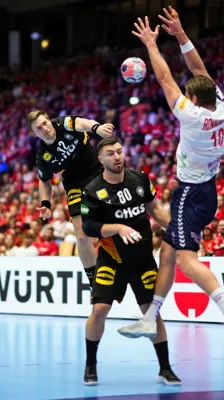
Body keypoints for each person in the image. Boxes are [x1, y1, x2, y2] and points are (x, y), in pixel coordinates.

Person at [117, 7, 224, 351]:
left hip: (190, 193)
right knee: (168, 252)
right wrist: (181, 36)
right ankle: (150, 317)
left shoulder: (192, 116)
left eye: (189, 95)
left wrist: (151, 44)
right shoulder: (222, 106)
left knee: (187, 259)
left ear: (194, 100)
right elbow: (200, 71)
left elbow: (165, 80)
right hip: (206, 190)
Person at [80, 137, 181, 386]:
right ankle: (90, 364)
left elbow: (155, 210)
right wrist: (117, 228)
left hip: (142, 258)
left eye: (119, 151)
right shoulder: (92, 189)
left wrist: (180, 229)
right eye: (110, 153)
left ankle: (165, 369)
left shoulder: (140, 179)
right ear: (100, 159)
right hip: (112, 259)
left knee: (151, 312)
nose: (116, 157)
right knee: (99, 310)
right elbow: (88, 227)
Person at [27, 110, 114, 288]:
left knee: (115, 216)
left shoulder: (63, 123)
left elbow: (82, 123)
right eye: (38, 128)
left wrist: (97, 128)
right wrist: (45, 204)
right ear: (34, 134)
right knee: (80, 235)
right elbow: (44, 181)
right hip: (75, 186)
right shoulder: (43, 156)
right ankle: (95, 282)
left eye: (45, 123)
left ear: (49, 120)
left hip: (98, 173)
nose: (44, 128)